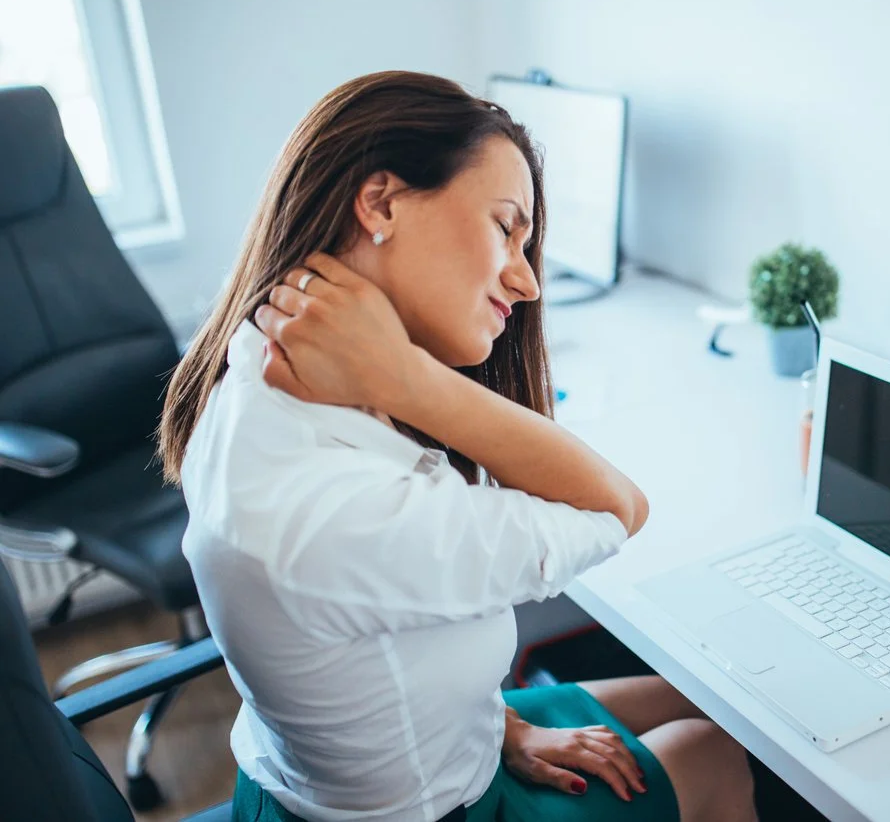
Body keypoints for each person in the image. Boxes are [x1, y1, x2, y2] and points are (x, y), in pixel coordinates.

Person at [158, 71, 756, 822]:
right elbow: (618, 508)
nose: (527, 281)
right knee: (714, 749)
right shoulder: (342, 508)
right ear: (380, 203)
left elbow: (360, 652)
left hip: (357, 761)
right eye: (506, 226)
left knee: (707, 695)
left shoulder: (252, 369)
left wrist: (501, 726)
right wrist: (407, 377)